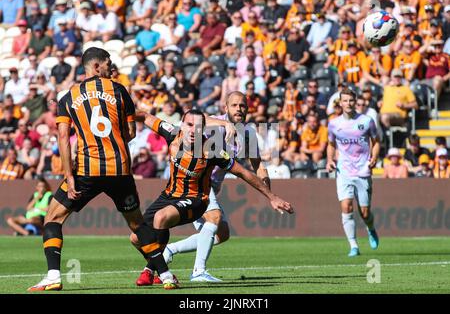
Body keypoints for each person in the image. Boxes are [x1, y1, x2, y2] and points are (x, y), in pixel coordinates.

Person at [28, 47, 167, 291]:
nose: (111, 68)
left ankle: (53, 276)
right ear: (95, 67)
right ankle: (166, 276)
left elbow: (63, 138)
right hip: (120, 170)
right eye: (107, 64)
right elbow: (131, 132)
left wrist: (69, 177)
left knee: (52, 218)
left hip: (86, 171)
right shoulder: (120, 90)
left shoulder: (69, 96)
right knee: (137, 225)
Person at [130, 106, 292, 286]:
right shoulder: (172, 133)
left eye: (198, 126)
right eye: (189, 125)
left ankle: (162, 273)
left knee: (162, 217)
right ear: (181, 124)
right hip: (168, 196)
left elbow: (243, 173)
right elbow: (144, 116)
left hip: (196, 200)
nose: (193, 130)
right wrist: (116, 112)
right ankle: (159, 268)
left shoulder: (211, 149)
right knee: (136, 238)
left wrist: (272, 197)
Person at [327, 88, 380, 257]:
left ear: (355, 101)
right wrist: (329, 160)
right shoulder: (334, 124)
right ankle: (354, 246)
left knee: (364, 212)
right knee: (346, 206)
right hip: (344, 171)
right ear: (340, 103)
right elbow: (331, 144)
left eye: (351, 100)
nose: (348, 104)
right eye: (345, 101)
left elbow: (376, 141)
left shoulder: (366, 121)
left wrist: (374, 157)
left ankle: (370, 228)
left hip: (363, 170)